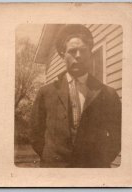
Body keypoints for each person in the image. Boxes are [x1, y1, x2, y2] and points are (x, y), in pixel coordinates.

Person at [30, 24, 121, 168]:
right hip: (55, 173)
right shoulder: (46, 93)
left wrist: (100, 161)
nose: (78, 56)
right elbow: (35, 135)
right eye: (72, 51)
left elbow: (118, 136)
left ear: (90, 54)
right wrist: (51, 159)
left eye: (83, 51)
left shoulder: (108, 94)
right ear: (62, 55)